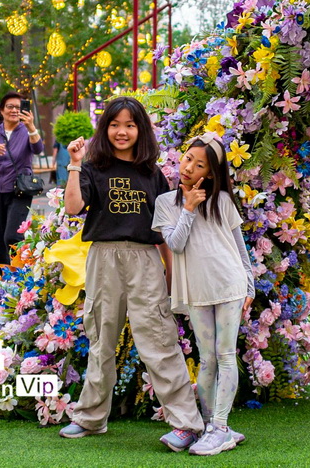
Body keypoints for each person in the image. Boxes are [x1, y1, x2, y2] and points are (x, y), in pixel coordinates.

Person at [58, 96, 203, 451]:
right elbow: (74, 207)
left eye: (130, 124)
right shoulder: (93, 167)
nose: (122, 131)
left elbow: (166, 228)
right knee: (101, 338)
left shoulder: (153, 174)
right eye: (115, 124)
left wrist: (170, 273)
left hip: (145, 258)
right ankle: (90, 417)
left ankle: (185, 423)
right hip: (103, 259)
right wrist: (75, 164)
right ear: (105, 128)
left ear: (141, 130)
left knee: (159, 339)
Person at [152, 133, 253, 456]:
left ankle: (220, 427)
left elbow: (239, 249)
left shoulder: (222, 201)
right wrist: (189, 209)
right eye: (187, 159)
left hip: (229, 285)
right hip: (197, 290)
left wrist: (249, 286)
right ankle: (211, 425)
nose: (189, 167)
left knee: (224, 355)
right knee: (206, 357)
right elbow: (176, 245)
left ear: (209, 173)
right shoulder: (166, 203)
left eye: (199, 165)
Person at [0, 92, 44, 274]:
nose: (14, 110)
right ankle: (7, 283)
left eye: (18, 107)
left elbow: (38, 148)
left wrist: (31, 126)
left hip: (20, 191)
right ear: (2, 110)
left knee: (12, 236)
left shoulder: (27, 131)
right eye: (10, 107)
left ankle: (20, 274)